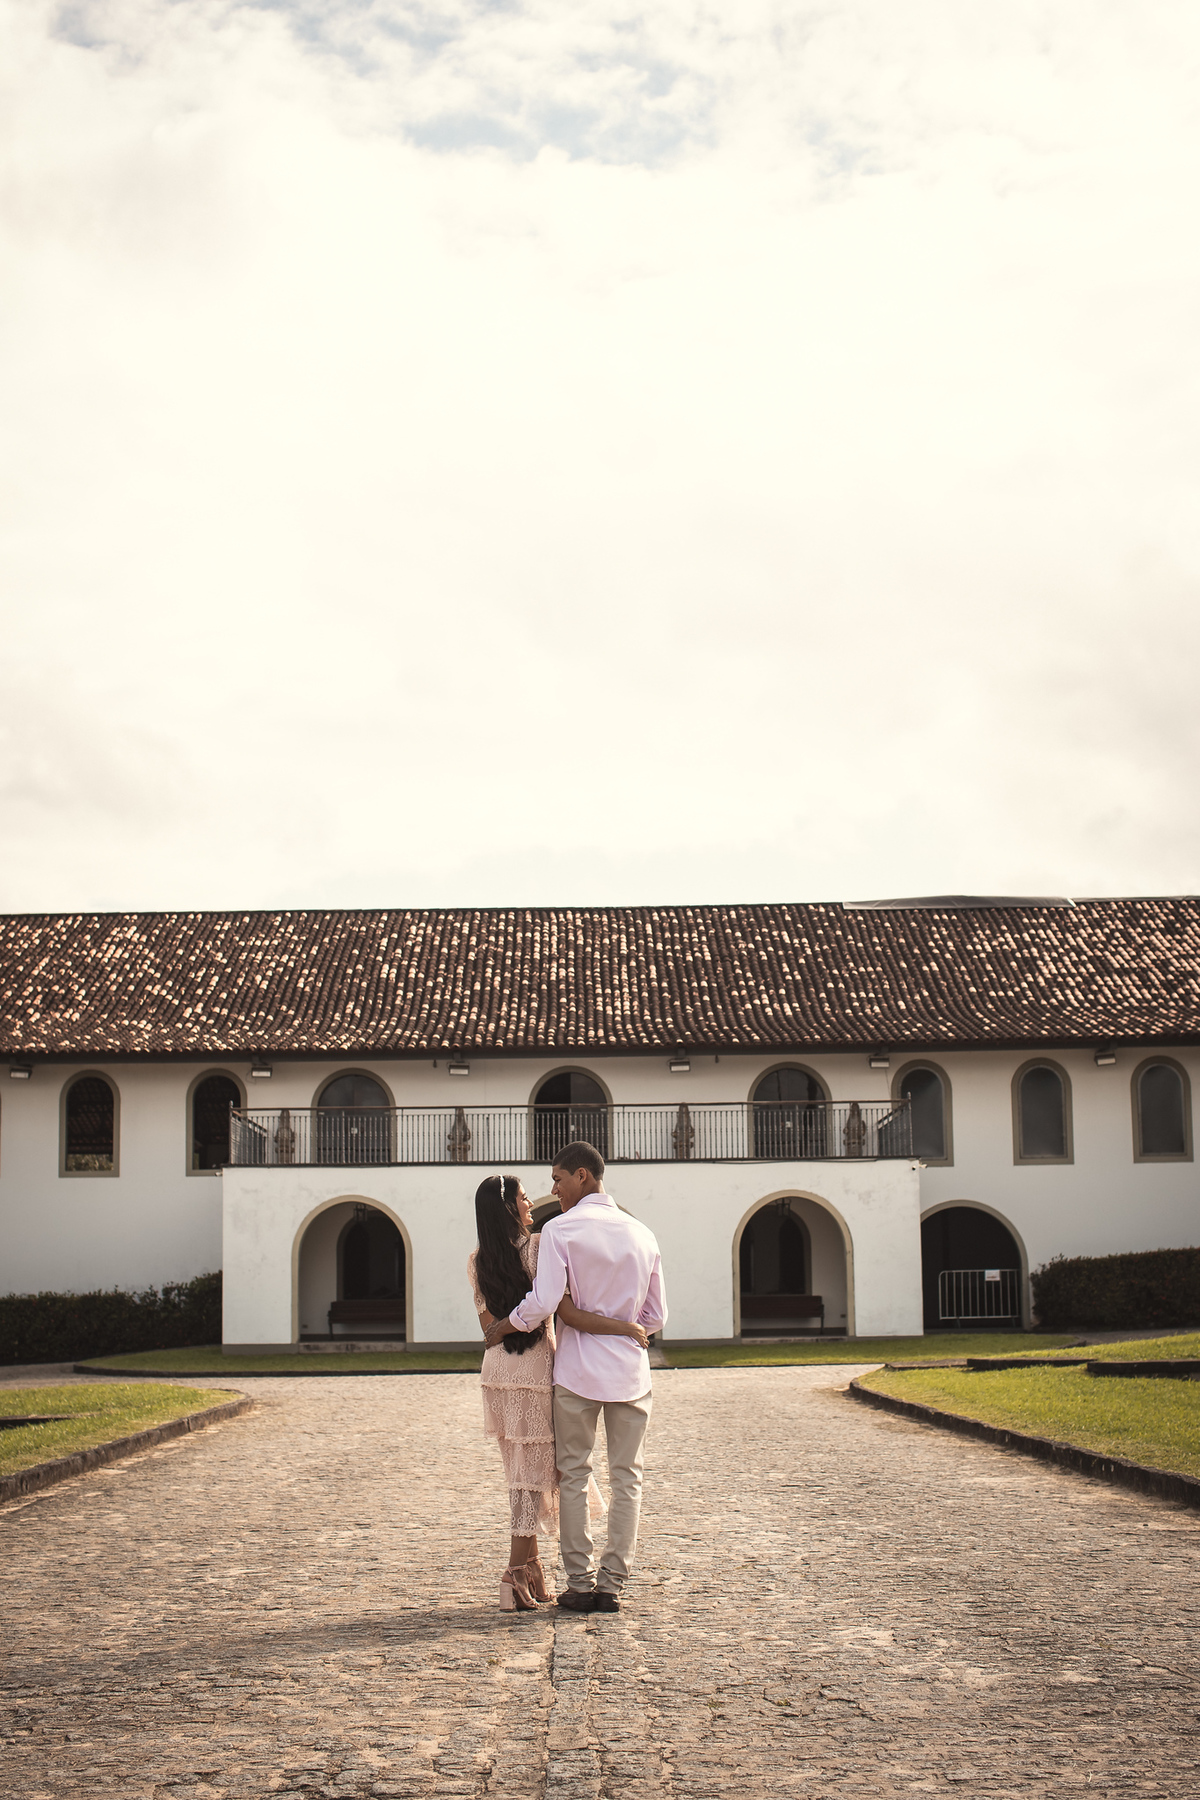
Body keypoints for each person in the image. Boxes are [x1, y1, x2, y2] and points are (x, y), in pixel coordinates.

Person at [486, 1141, 666, 1615]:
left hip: (577, 1372)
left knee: (573, 1474)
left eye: (558, 1179)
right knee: (628, 1478)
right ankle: (612, 1585)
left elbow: (545, 1302)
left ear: (583, 1176)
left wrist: (506, 1324)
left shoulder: (561, 1230)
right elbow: (656, 1315)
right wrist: (625, 1331)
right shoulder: (644, 1234)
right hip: (630, 1371)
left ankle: (580, 1583)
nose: (553, 1189)